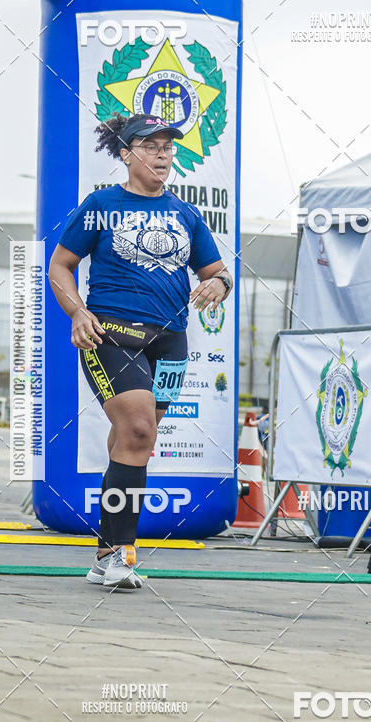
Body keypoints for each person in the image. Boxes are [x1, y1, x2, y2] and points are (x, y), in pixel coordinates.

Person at [48, 113, 233, 590]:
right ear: (126, 153)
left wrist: (219, 283)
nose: (162, 155)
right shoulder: (101, 205)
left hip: (171, 342)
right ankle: (119, 555)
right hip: (110, 333)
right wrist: (77, 313)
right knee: (137, 428)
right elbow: (60, 266)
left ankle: (103, 554)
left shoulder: (186, 214)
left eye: (168, 147)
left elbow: (217, 271)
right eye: (151, 146)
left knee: (134, 441)